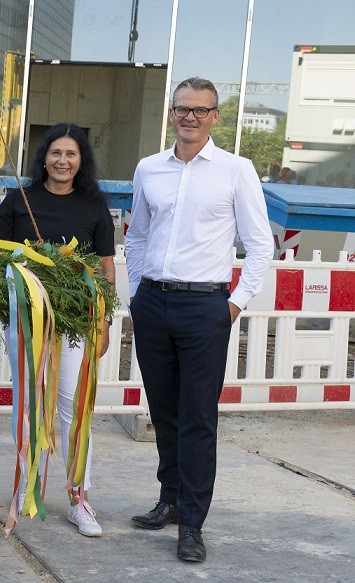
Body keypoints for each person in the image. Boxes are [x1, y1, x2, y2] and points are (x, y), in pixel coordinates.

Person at [124, 77, 272, 563]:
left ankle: (192, 522)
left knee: (198, 418)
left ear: (214, 116)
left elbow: (259, 243)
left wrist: (233, 303)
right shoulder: (149, 169)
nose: (190, 117)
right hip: (153, 302)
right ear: (171, 113)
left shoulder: (236, 170)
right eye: (182, 108)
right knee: (163, 408)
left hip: (205, 305)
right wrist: (137, 290)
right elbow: (139, 235)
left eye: (200, 110)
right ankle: (169, 499)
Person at [0, 122, 114, 538]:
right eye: (55, 153)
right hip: (26, 321)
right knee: (28, 403)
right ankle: (27, 487)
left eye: (71, 154)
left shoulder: (95, 206)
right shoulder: (18, 201)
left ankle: (80, 496)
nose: (63, 161)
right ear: (43, 157)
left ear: (82, 161)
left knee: (71, 408)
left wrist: (105, 320)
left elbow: (106, 268)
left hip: (77, 324)